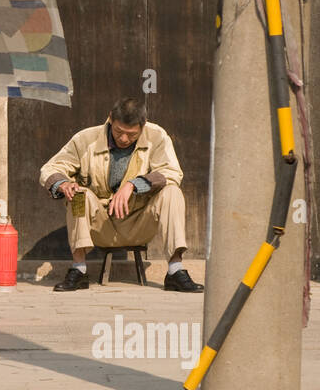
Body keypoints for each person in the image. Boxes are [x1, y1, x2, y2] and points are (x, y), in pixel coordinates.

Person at [38, 97, 203, 293]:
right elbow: (51, 168)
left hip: (139, 223)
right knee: (78, 193)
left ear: (143, 126)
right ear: (110, 119)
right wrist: (63, 183)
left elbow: (172, 173)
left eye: (131, 134)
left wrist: (133, 185)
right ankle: (79, 270)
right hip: (100, 226)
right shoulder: (85, 139)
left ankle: (176, 270)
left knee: (172, 191)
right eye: (118, 132)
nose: (124, 139)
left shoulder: (157, 136)